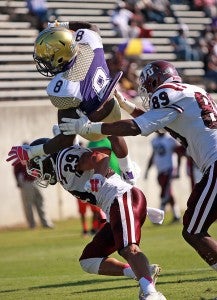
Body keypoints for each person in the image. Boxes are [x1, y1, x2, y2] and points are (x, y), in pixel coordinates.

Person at [57, 60, 217, 273]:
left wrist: (89, 127)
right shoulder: (192, 91)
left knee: (193, 230)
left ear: (156, 81)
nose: (148, 92)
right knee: (194, 227)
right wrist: (126, 105)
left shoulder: (165, 93)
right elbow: (160, 125)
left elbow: (137, 128)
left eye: (149, 86)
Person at [25, 139, 165, 300]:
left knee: (129, 249)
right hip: (116, 206)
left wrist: (98, 176)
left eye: (37, 168)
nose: (39, 175)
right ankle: (138, 271)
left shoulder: (63, 160)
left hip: (121, 199)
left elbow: (101, 155)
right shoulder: (62, 164)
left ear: (45, 159)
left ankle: (151, 293)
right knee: (89, 259)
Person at [6, 20, 138, 185]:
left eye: (48, 58)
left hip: (92, 125)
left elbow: (65, 140)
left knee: (65, 117)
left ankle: (80, 155)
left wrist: (32, 152)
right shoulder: (89, 41)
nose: (45, 62)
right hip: (112, 106)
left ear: (61, 56)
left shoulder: (62, 87)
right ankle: (128, 171)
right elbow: (92, 26)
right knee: (114, 134)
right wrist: (62, 24)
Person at [13, 143, 53, 229]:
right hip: (26, 183)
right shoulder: (20, 159)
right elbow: (16, 172)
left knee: (40, 202)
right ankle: (32, 225)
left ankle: (45, 223)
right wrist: (19, 182)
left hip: (36, 181)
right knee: (28, 205)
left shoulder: (34, 156)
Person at [144, 132, 181, 223]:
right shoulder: (154, 140)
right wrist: (147, 170)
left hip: (169, 169)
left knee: (164, 193)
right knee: (168, 193)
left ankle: (158, 217)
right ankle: (176, 215)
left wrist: (178, 170)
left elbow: (179, 153)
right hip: (160, 170)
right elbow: (153, 155)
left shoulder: (170, 139)